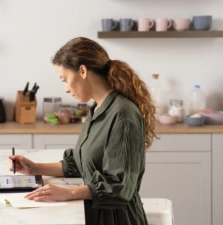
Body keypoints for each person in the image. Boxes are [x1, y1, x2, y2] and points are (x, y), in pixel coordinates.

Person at [8, 37, 156, 225]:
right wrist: (34, 168)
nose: (66, 89)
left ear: (83, 70)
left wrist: (68, 193)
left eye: (65, 79)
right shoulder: (98, 109)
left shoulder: (123, 115)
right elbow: (82, 164)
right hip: (95, 213)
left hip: (118, 219)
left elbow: (121, 188)